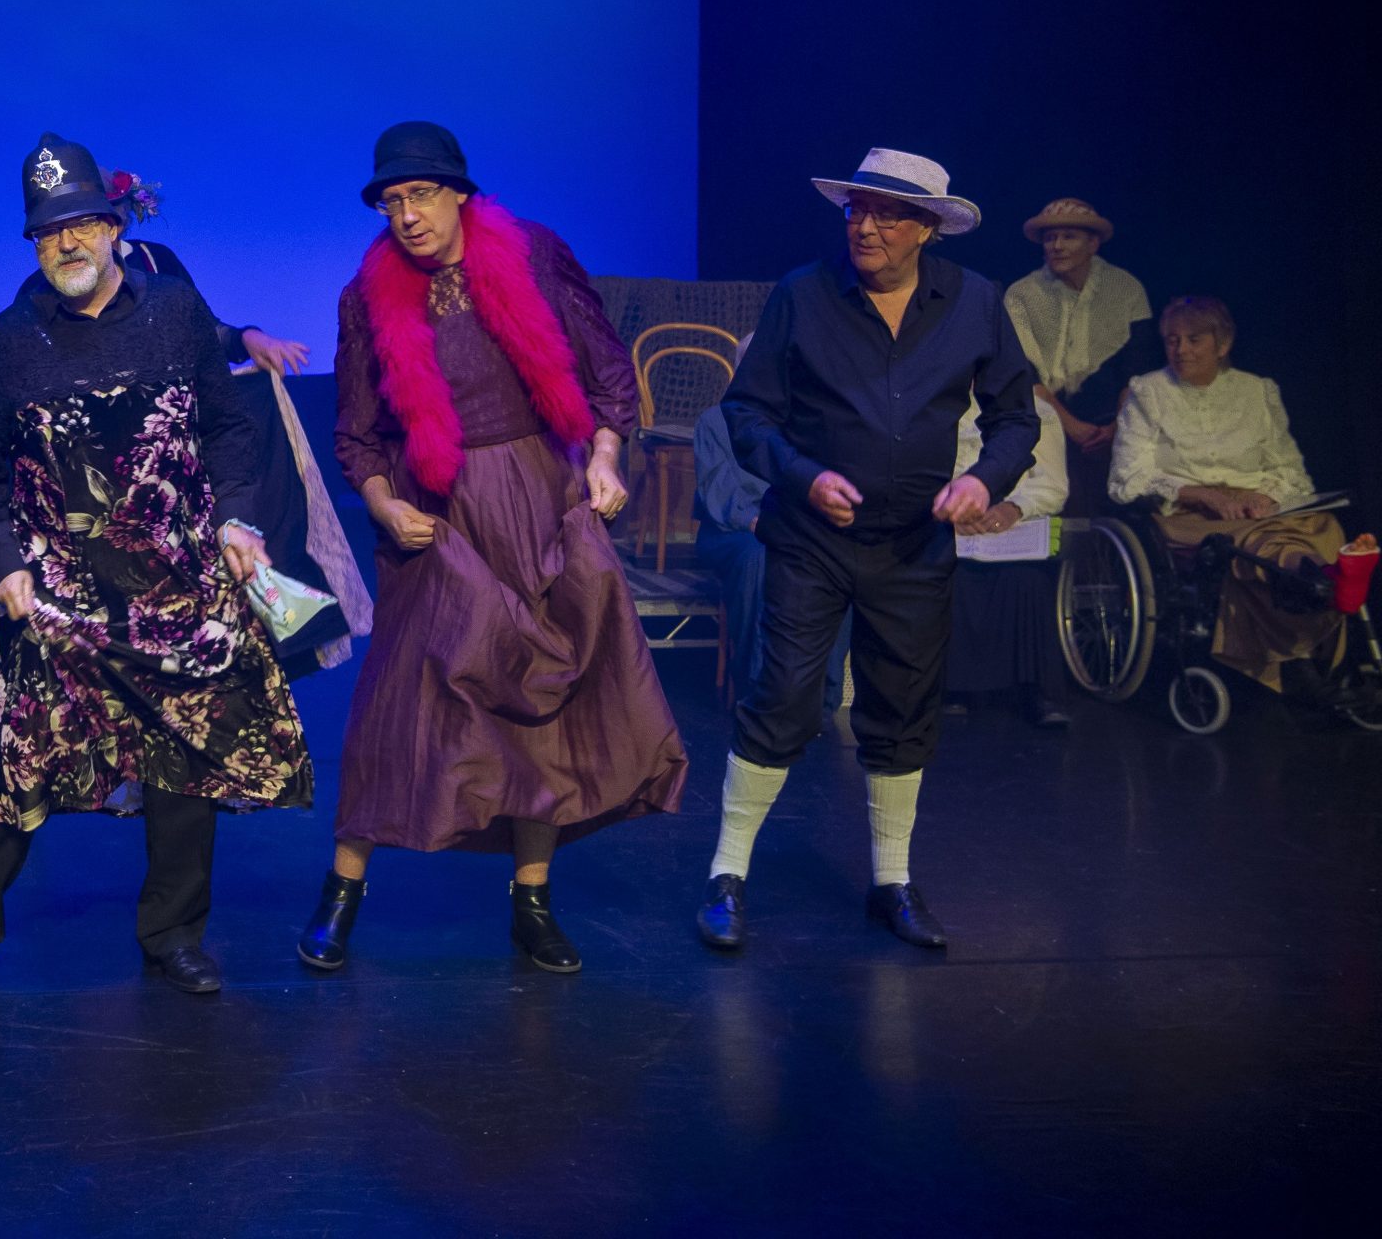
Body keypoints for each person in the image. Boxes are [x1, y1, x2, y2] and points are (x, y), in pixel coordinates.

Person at [297, 122, 687, 977]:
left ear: (459, 194)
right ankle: (341, 892)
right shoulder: (368, 297)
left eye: (420, 195)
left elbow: (606, 375)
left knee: (541, 705)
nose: (406, 216)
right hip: (436, 518)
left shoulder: (534, 255)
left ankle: (532, 903)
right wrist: (383, 504)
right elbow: (356, 434)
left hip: (538, 500)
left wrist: (606, 457)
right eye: (391, 202)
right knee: (399, 708)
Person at [0, 133, 312, 999]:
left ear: (113, 228)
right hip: (57, 596)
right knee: (11, 757)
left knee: (185, 767)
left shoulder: (174, 312)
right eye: (47, 231)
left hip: (177, 586)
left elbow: (227, 427)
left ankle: (174, 934)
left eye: (80, 225)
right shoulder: (12, 339)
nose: (65, 243)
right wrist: (4, 564)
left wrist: (237, 519)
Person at [699, 148, 1038, 954]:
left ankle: (893, 883)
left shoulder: (974, 302)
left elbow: (1015, 418)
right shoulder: (803, 294)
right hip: (810, 537)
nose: (866, 226)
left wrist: (983, 480)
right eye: (857, 210)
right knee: (785, 696)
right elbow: (747, 414)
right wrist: (804, 475)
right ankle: (726, 875)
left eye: (888, 214)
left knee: (902, 707)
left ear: (926, 229)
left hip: (915, 543)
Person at [8, 163, 372, 674]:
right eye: (58, 228)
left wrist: (247, 338)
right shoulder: (37, 293)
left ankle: (253, 657)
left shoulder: (158, 265)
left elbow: (204, 332)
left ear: (115, 222)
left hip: (175, 452)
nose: (74, 240)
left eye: (93, 221)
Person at [1108, 295, 1346, 692]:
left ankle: (1310, 592)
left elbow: (1289, 469)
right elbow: (1127, 477)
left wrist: (1267, 496)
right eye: (1172, 340)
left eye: (1194, 339)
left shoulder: (1257, 391)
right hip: (1187, 514)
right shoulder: (1147, 392)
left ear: (1223, 344)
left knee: (1323, 523)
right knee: (1255, 544)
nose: (1180, 350)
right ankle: (1311, 580)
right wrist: (1204, 495)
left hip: (1256, 509)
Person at [693, 346, 852, 718]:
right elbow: (719, 492)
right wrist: (759, 522)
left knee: (841, 558)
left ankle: (822, 693)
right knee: (759, 556)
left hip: (791, 527)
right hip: (732, 531)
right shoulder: (716, 420)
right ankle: (759, 690)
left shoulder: (804, 423)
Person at [1005, 199, 1158, 511]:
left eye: (1069, 237)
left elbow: (1136, 370)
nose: (1057, 246)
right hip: (1045, 415)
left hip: (1113, 419)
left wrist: (1116, 428)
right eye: (1050, 238)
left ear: (1093, 243)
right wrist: (1073, 429)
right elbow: (1023, 372)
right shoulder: (1022, 294)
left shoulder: (1125, 289)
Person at [942, 396, 1072, 726]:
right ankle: (954, 689)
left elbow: (1053, 484)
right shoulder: (937, 406)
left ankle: (1037, 691)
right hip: (954, 523)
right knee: (954, 573)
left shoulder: (1039, 411)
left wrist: (1014, 508)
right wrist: (953, 508)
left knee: (1029, 579)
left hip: (1015, 523)